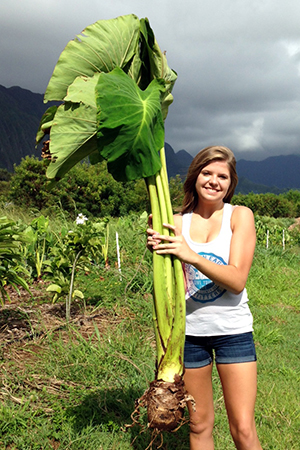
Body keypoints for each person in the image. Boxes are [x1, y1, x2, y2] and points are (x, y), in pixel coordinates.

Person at [147, 146, 263, 450]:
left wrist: (190, 254)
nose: (214, 181)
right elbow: (171, 280)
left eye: (222, 176)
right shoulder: (176, 221)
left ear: (231, 182)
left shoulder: (240, 216)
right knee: (199, 426)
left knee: (243, 428)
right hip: (190, 336)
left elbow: (237, 280)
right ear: (195, 176)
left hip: (232, 333)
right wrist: (158, 249)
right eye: (207, 172)